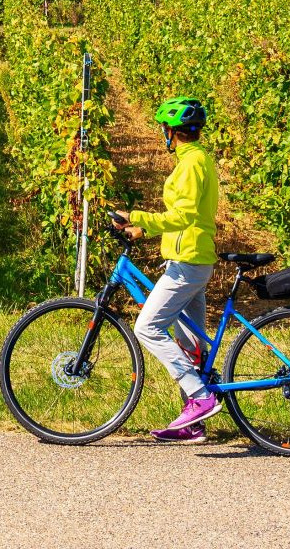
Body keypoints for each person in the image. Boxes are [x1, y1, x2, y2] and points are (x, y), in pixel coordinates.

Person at [111, 97, 219, 444]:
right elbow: (187, 216)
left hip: (187, 262)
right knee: (190, 344)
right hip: (191, 258)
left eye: (165, 128)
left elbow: (184, 215)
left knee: (147, 327)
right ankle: (193, 424)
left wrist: (138, 217)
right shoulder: (199, 158)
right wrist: (145, 230)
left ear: (171, 131)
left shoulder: (190, 164)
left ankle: (200, 397)